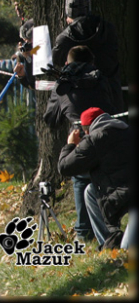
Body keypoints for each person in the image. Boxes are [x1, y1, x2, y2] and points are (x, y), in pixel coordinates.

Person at [44, 45, 117, 242]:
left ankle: (84, 232)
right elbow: (114, 104)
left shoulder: (63, 83)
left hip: (80, 135)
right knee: (102, 180)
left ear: (67, 63)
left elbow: (51, 118)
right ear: (91, 63)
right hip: (108, 135)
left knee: (80, 177)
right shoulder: (101, 77)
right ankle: (110, 227)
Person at [58, 107, 133, 250]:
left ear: (87, 130)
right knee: (91, 191)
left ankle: (110, 242)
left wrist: (71, 145)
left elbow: (64, 167)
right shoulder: (128, 131)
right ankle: (110, 241)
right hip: (124, 189)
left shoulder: (94, 139)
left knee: (125, 250)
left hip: (121, 193)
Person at [51, 0, 124, 112]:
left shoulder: (64, 38)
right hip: (111, 97)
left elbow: (56, 59)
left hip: (81, 102)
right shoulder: (108, 29)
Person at [13, 19, 36, 90]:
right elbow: (32, 84)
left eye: (29, 40)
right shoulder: (25, 54)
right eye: (25, 41)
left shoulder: (40, 47)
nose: (27, 44)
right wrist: (22, 76)